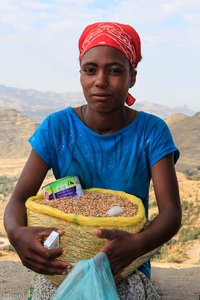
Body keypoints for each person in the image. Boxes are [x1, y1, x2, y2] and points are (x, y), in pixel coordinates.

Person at [4, 22, 181, 299]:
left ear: (132, 76)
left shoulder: (151, 131)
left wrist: (136, 245)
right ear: (81, 74)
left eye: (114, 70)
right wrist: (17, 234)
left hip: (123, 261)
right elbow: (18, 199)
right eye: (90, 70)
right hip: (65, 259)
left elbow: (171, 214)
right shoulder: (57, 128)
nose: (100, 80)